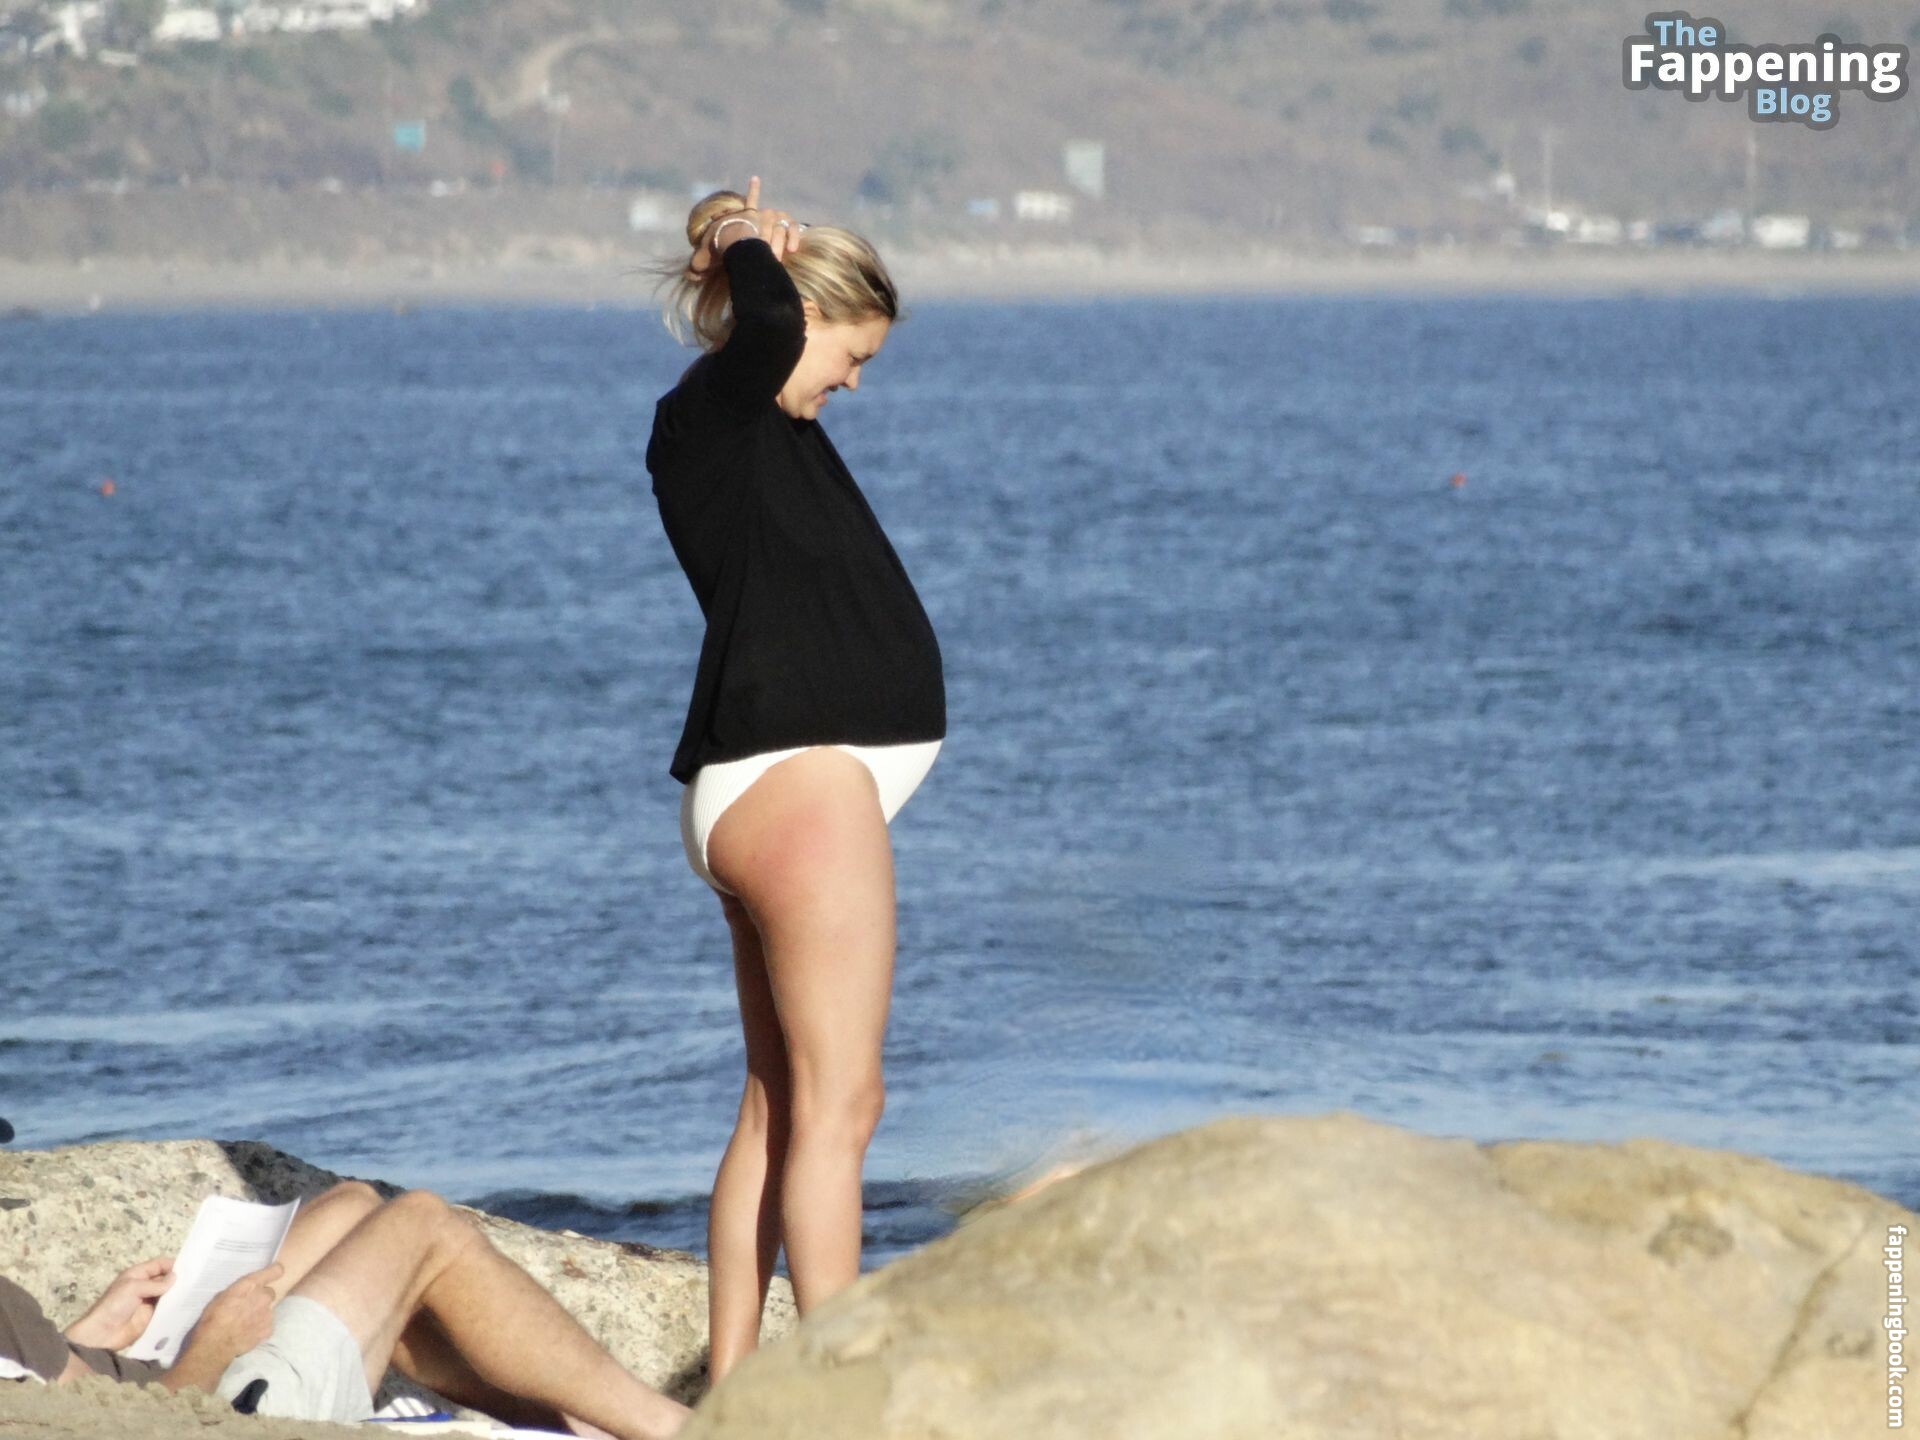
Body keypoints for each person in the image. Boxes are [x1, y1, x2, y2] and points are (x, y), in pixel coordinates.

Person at [647, 175, 946, 1381]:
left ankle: (733, 1385)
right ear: (800, 314)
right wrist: (732, 233)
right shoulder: (711, 416)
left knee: (781, 1105)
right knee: (845, 1105)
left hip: (780, 789)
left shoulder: (767, 434)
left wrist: (740, 245)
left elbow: (776, 330)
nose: (854, 383)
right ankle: (838, 1388)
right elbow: (765, 324)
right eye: (852, 355)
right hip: (798, 785)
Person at [0, 1180, 689, 1439]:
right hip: (207, 1405)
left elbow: (36, 1388)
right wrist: (212, 1345)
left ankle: (573, 1425)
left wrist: (86, 1337)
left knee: (352, 1206)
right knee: (422, 1225)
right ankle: (672, 1429)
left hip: (137, 1372)